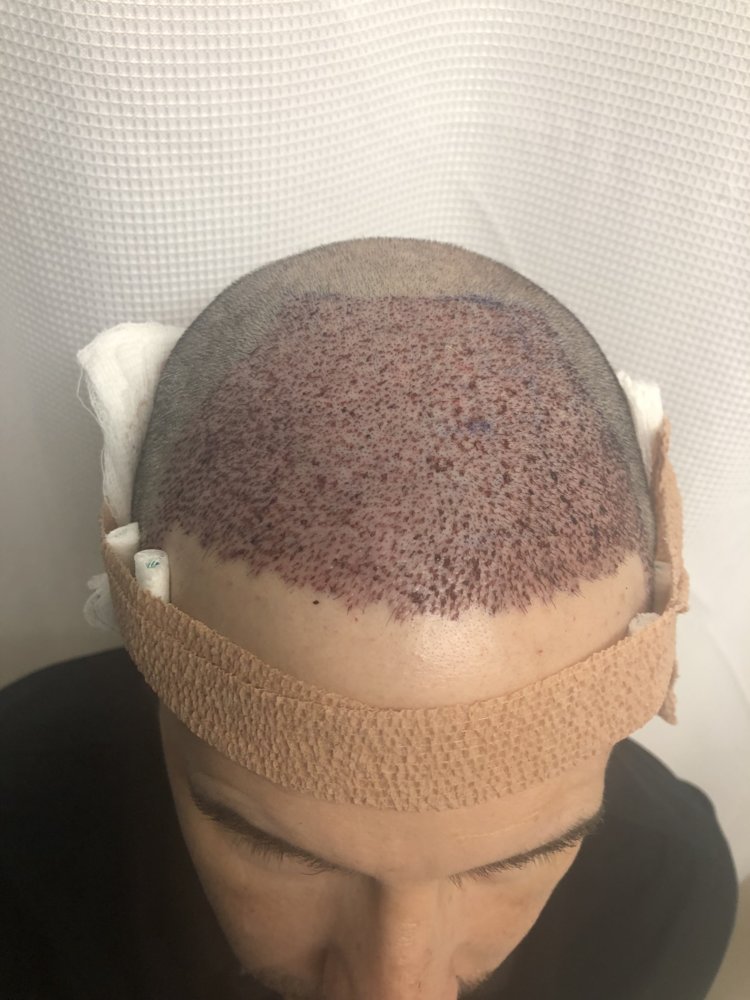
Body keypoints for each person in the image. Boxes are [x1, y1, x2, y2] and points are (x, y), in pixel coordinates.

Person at [0, 238, 737, 999]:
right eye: (283, 852)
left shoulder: (667, 898)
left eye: (515, 859)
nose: (396, 986)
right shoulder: (20, 812)